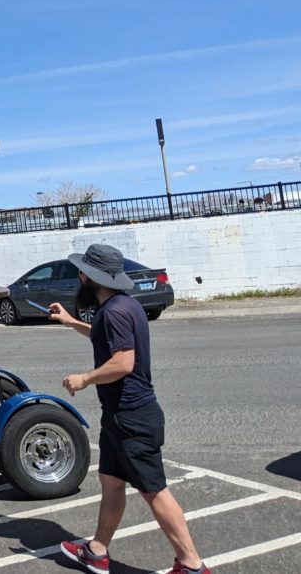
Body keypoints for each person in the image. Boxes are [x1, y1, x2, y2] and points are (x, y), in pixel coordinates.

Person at [51, 244, 209, 574]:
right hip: (119, 418)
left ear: (88, 277)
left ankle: (192, 565)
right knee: (110, 480)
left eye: (80, 273)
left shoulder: (115, 311)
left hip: (132, 417)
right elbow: (102, 336)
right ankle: (97, 551)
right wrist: (69, 322)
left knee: (155, 491)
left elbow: (123, 361)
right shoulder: (124, 306)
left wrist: (85, 378)